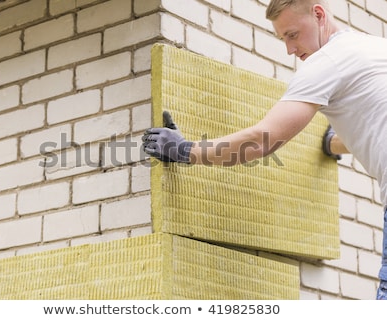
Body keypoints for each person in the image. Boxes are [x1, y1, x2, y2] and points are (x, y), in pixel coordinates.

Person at [142, 0, 387, 300]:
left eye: (293, 34)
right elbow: (373, 124)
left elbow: (262, 140)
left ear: (319, 14)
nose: (290, 49)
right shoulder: (375, 49)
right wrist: (332, 144)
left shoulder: (327, 62)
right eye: (283, 38)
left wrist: (186, 150)